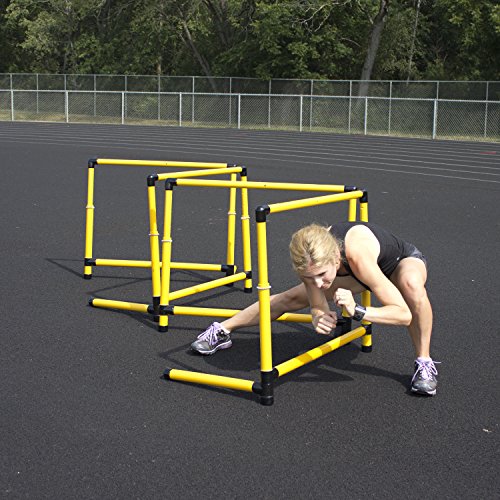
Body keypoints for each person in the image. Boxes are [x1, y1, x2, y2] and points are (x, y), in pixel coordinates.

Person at [191, 221, 439, 396]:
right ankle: (222, 330)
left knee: (412, 287)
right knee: (290, 298)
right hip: (356, 275)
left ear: (335, 259)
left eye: (322, 275)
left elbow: (403, 315)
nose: (318, 283)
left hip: (399, 263)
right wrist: (318, 316)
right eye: (311, 278)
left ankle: (424, 362)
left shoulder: (356, 255)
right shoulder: (309, 260)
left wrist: (357, 310)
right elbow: (318, 305)